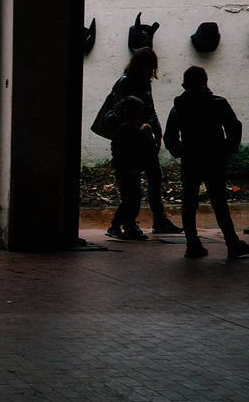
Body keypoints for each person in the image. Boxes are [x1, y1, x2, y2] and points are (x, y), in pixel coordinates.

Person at [162, 66, 249, 260]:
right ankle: (232, 243)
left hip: (191, 158)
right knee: (219, 202)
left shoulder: (179, 107)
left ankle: (192, 245)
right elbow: (234, 126)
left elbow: (170, 136)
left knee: (189, 202)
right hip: (213, 158)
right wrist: (227, 149)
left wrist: (181, 151)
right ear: (206, 82)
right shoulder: (217, 104)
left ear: (184, 84)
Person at [101, 48, 183, 235]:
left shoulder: (142, 81)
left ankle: (154, 220)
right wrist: (139, 128)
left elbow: (149, 109)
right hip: (132, 142)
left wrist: (156, 131)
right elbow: (116, 112)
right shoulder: (126, 82)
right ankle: (131, 223)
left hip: (143, 138)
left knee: (153, 178)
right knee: (136, 187)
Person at [104, 95, 155, 242]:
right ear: (128, 111)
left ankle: (127, 226)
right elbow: (131, 145)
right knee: (131, 199)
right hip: (128, 167)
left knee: (131, 199)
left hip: (127, 167)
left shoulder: (125, 125)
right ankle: (116, 226)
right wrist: (143, 131)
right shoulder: (126, 127)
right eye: (137, 111)